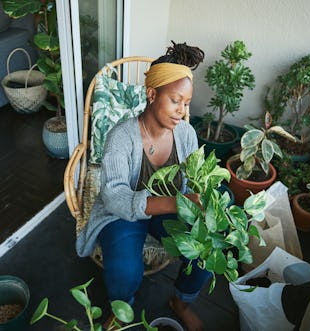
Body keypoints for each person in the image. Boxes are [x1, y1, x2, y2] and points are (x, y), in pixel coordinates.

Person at [76, 41, 209, 331]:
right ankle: (121, 308)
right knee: (124, 269)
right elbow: (113, 196)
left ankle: (181, 302)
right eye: (175, 100)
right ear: (151, 94)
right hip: (124, 212)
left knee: (206, 250)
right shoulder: (121, 137)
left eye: (186, 103)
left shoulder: (186, 134)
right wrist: (177, 202)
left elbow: (196, 178)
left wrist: (203, 199)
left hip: (170, 211)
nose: (181, 111)